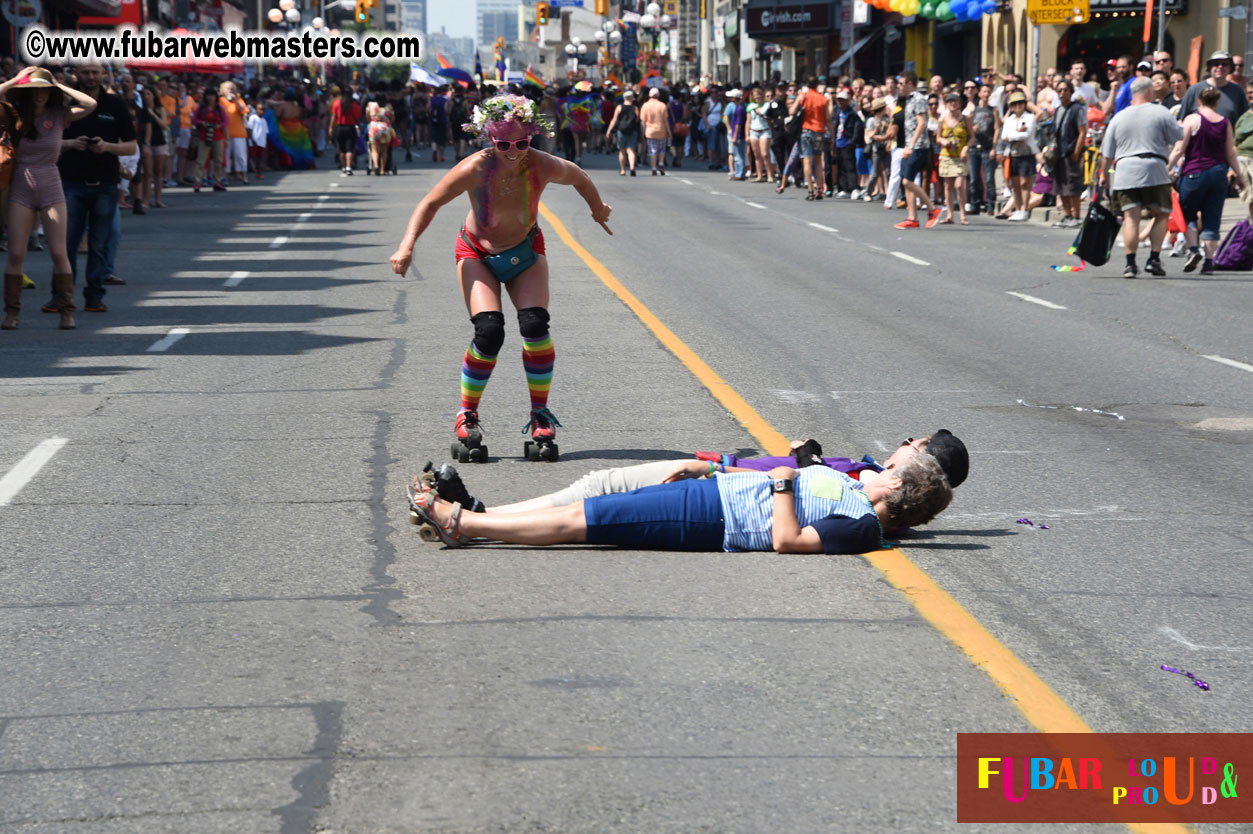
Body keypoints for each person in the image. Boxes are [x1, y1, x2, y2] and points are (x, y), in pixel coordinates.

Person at [388, 95, 613, 462]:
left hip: (524, 252)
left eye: (522, 143)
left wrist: (597, 209)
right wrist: (406, 245)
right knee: (489, 331)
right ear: (489, 139)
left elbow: (580, 177)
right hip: (477, 253)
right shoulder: (475, 168)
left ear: (532, 139)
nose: (513, 152)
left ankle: (539, 414)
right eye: (503, 144)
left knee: (536, 326)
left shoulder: (542, 165)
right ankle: (467, 415)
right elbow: (429, 204)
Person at [408, 450, 954, 553]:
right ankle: (475, 518)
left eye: (897, 470)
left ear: (901, 488)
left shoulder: (861, 528)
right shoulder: (856, 490)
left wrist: (786, 482)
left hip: (714, 520)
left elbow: (787, 540)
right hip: (714, 491)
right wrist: (714, 467)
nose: (889, 465)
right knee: (587, 506)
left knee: (585, 521)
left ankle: (464, 524)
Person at [427, 430, 969, 517]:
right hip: (721, 472)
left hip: (715, 481)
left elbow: (792, 477)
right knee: (590, 494)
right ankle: (481, 513)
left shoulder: (862, 487)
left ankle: (479, 515)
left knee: (591, 494)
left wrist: (703, 469)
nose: (905, 444)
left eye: (915, 445)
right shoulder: (868, 476)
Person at [0, 67, 96, 331]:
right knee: (17, 253)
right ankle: (11, 313)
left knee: (58, 252)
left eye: (44, 89)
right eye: (34, 89)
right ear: (26, 92)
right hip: (21, 184)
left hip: (51, 185)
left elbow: (90, 103)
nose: (39, 94)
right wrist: (16, 81)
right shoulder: (14, 115)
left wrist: (58, 84)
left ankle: (66, 311)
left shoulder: (59, 114)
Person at [38, 63, 135, 318]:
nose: (90, 77)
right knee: (65, 244)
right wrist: (69, 144)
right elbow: (39, 139)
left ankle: (94, 295)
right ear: (75, 75)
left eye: (95, 72)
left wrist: (107, 147)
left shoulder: (115, 104)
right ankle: (60, 296)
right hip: (69, 183)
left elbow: (132, 147)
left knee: (99, 244)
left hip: (104, 184)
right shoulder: (61, 102)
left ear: (103, 74)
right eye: (85, 72)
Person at [1099, 77, 1183, 279]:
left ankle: (1130, 264)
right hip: (1154, 167)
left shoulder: (1119, 117)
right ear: (1148, 92)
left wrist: (1104, 176)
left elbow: (1107, 153)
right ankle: (1154, 259)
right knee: (1161, 214)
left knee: (1131, 218)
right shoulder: (1161, 112)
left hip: (1126, 169)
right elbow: (1178, 136)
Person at [1168, 85, 1247, 274]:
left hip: (1194, 173)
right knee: (1212, 219)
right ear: (1217, 102)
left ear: (1198, 101)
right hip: (1219, 174)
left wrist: (1167, 168)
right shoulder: (1224, 122)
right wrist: (1240, 176)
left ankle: (1193, 250)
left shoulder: (1193, 119)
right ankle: (1209, 262)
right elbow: (1230, 153)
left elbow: (1180, 148)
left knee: (1187, 214)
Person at [893, 72, 943, 228]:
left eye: (901, 84)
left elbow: (922, 124)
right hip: (908, 145)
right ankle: (912, 218)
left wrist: (911, 145)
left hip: (918, 146)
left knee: (907, 181)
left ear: (910, 84)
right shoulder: (907, 100)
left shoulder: (919, 99)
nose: (899, 87)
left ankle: (933, 209)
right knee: (906, 181)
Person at [1050, 79, 1087, 229]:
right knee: (1061, 185)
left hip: (1071, 152)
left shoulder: (1077, 109)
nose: (1062, 93)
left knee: (1073, 185)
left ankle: (1077, 216)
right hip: (1059, 154)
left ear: (1071, 92)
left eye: (1065, 90)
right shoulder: (1058, 110)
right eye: (1059, 91)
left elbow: (1082, 132)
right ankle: (1067, 215)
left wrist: (1077, 152)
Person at [1177, 51, 1249, 124]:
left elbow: (1244, 121)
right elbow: (1181, 120)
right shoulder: (1194, 90)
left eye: (1224, 64)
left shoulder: (1237, 91)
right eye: (1216, 64)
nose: (1220, 67)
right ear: (1209, 68)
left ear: (1230, 68)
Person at [999, 90, 1037, 221]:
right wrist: (1016, 132)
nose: (1018, 106)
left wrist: (1012, 135)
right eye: (1015, 103)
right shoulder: (1009, 120)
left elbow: (1026, 135)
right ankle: (1018, 209)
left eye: (1020, 103)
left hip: (1027, 152)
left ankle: (1024, 209)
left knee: (1025, 183)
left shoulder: (1030, 117)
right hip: (1012, 154)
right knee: (1015, 184)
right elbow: (1004, 136)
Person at [790, 77, 829, 200]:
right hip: (819, 132)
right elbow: (828, 118)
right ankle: (819, 189)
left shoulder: (804, 96)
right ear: (817, 85)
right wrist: (831, 134)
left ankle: (811, 191)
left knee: (807, 161)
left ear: (807, 84)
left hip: (806, 130)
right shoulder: (823, 99)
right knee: (818, 161)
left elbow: (792, 111)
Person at [936, 92, 971, 224]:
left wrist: (966, 148)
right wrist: (942, 141)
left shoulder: (965, 119)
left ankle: (963, 214)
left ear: (959, 104)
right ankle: (950, 215)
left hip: (960, 155)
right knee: (948, 186)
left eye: (955, 101)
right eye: (949, 101)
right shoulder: (942, 119)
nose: (952, 103)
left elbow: (971, 137)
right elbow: (938, 136)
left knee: (960, 185)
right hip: (947, 155)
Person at [189, 87, 227, 193]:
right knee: (201, 160)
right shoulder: (201, 108)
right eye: (209, 95)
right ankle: (197, 182)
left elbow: (225, 122)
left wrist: (219, 126)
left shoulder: (219, 108)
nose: (210, 98)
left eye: (212, 95)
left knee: (218, 160)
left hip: (218, 136)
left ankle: (217, 182)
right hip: (204, 136)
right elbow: (194, 119)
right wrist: (202, 123)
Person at [831, 88, 862, 198]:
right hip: (838, 143)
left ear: (847, 101)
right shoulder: (837, 113)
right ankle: (843, 188)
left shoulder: (852, 114)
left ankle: (853, 188)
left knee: (850, 166)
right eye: (839, 100)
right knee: (841, 167)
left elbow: (858, 128)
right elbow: (834, 127)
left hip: (847, 143)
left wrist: (852, 142)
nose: (840, 102)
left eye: (843, 100)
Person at [604, 88, 639, 176]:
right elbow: (638, 119)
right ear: (631, 98)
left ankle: (623, 170)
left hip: (621, 130)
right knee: (631, 150)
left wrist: (609, 130)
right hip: (632, 130)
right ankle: (632, 167)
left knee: (622, 151)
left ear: (624, 98)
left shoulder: (619, 107)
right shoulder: (635, 108)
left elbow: (614, 119)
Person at [1232, 80, 1253, 222]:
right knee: (1250, 198)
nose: (1252, 95)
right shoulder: (1243, 118)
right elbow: (1234, 143)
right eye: (1250, 92)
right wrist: (1232, 168)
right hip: (1242, 161)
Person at [640, 87, 672, 176]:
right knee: (661, 149)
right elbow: (666, 120)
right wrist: (669, 132)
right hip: (661, 131)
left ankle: (654, 168)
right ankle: (661, 163)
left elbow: (643, 121)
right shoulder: (662, 105)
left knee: (652, 150)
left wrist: (643, 132)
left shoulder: (645, 105)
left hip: (650, 131)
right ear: (658, 95)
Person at [330, 86, 360, 175]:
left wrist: (331, 127)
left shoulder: (337, 103)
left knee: (341, 149)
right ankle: (348, 167)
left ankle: (343, 167)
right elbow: (357, 118)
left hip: (340, 128)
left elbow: (333, 116)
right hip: (350, 128)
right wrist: (358, 125)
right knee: (350, 148)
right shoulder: (354, 104)